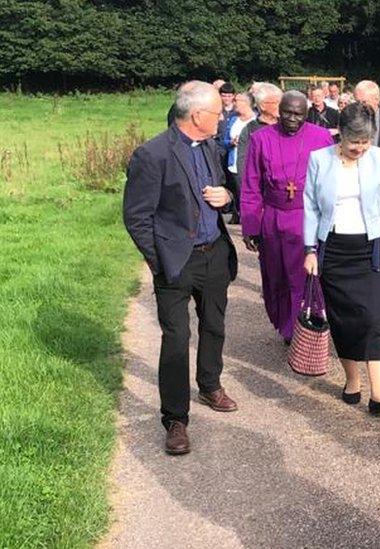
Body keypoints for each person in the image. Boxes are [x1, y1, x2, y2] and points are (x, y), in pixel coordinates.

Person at [123, 81, 240, 456]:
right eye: (217, 113)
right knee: (175, 340)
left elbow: (221, 190)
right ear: (196, 116)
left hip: (214, 254)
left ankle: (210, 384)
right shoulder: (152, 154)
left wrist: (227, 198)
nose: (222, 117)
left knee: (214, 325)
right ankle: (175, 419)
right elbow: (137, 217)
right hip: (176, 263)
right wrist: (159, 263)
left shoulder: (209, 146)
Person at [303, 103, 380, 414]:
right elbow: (310, 207)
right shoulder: (319, 159)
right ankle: (352, 381)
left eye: (366, 141)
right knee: (343, 319)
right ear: (340, 136)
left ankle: (379, 394)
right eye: (354, 142)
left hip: (373, 249)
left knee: (374, 318)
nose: (360, 148)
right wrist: (310, 249)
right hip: (333, 249)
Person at [241, 90, 334, 343]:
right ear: (278, 111)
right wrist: (251, 225)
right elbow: (251, 183)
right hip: (274, 218)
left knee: (307, 275)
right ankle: (286, 325)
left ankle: (307, 327)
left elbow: (332, 181)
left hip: (308, 217)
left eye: (298, 114)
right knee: (277, 274)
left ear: (307, 114)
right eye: (287, 112)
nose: (292, 118)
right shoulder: (261, 139)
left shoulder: (322, 137)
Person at [237, 82, 282, 185]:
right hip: (260, 186)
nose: (280, 106)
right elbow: (243, 165)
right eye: (275, 102)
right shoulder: (250, 130)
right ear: (262, 106)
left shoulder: (286, 126)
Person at [223, 92, 256, 224]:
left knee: (247, 192)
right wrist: (231, 142)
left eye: (238, 101)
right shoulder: (233, 119)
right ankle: (238, 214)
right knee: (237, 190)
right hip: (233, 161)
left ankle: (249, 219)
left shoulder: (255, 121)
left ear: (246, 103)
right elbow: (224, 140)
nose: (234, 103)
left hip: (249, 162)